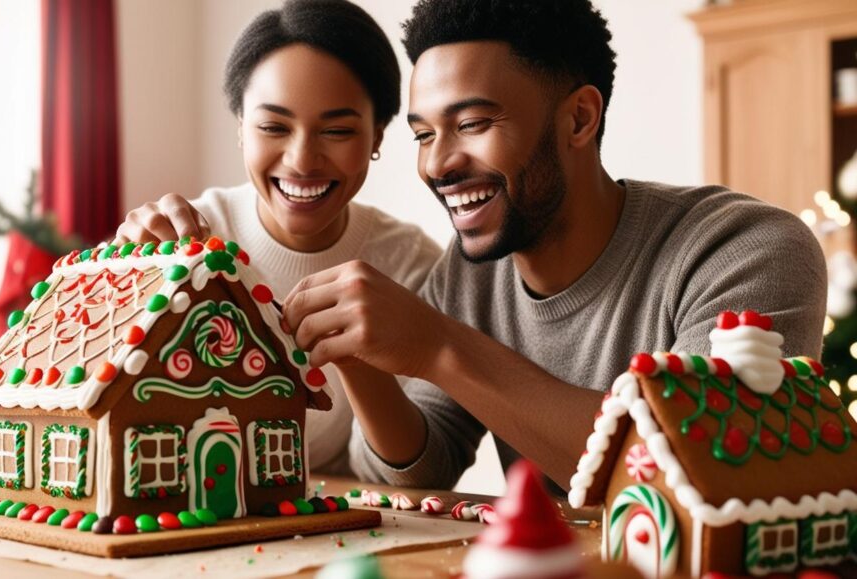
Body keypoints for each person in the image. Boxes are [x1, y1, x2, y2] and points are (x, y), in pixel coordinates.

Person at [277, 0, 827, 489]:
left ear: (580, 118)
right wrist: (357, 357)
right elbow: (424, 468)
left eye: (471, 123)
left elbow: (693, 471)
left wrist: (439, 347)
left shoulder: (746, 249)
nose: (437, 163)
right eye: (424, 135)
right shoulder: (469, 277)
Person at [114, 0, 442, 475]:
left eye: (336, 130)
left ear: (376, 137)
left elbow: (405, 478)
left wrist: (360, 360)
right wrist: (128, 282)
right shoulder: (188, 242)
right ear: (241, 129)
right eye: (273, 127)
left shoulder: (411, 266)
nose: (302, 160)